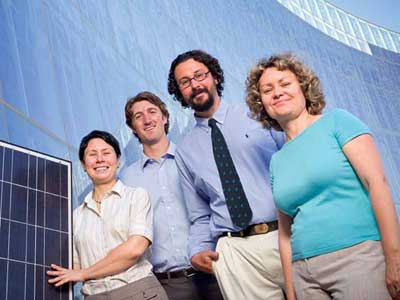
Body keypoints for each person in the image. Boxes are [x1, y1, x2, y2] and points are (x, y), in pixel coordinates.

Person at [245, 53, 400, 300]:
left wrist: (395, 258)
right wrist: (291, 292)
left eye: (285, 84)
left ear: (304, 88)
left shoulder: (338, 122)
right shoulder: (277, 160)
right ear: (261, 102)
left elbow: (378, 184)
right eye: (267, 90)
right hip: (304, 274)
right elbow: (285, 234)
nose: (277, 93)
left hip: (358, 258)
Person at [167, 50, 286, 300]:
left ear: (215, 77)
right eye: (185, 82)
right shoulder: (185, 152)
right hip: (237, 253)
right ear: (180, 93)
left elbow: (295, 163)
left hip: (286, 235)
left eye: (200, 75)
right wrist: (197, 250)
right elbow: (200, 215)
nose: (195, 85)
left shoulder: (260, 115)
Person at [120, 91, 223, 300]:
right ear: (133, 128)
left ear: (165, 118)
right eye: (138, 116)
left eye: (152, 112)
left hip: (213, 270)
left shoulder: (193, 157)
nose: (147, 119)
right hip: (167, 284)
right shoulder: (127, 178)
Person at [47, 130, 168, 300]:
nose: (100, 159)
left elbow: (134, 249)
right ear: (83, 164)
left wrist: (84, 274)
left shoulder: (136, 197)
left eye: (106, 153)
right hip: (95, 296)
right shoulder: (75, 217)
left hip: (140, 292)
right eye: (92, 154)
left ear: (118, 160)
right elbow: (76, 266)